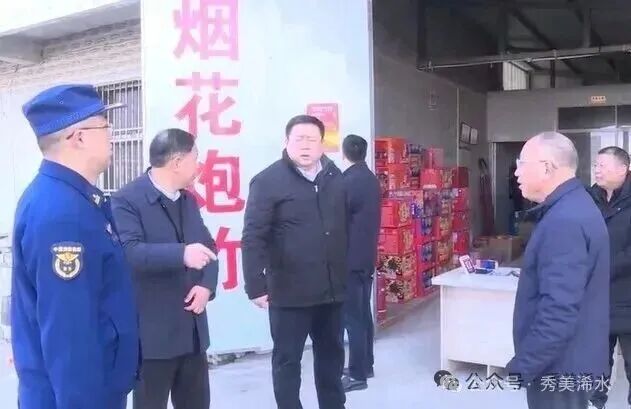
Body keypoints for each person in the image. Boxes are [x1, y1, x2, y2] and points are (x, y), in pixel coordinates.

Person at [11, 84, 140, 409]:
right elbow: (69, 336)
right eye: (105, 127)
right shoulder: (61, 214)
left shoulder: (72, 199)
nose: (112, 136)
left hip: (95, 389)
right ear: (78, 137)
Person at [242, 115, 348, 409]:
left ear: (322, 144)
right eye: (299, 139)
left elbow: (345, 227)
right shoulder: (267, 181)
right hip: (289, 293)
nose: (305, 145)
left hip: (331, 291)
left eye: (312, 139)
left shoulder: (335, 178)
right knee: (287, 362)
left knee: (332, 358)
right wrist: (255, 285)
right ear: (286, 142)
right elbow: (253, 236)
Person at [110, 128, 218, 409]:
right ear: (177, 162)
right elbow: (129, 252)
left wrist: (206, 286)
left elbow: (209, 248)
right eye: (195, 158)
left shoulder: (187, 200)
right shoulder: (126, 201)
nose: (199, 165)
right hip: (153, 338)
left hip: (192, 334)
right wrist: (181, 254)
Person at [506, 131, 610, 409]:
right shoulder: (575, 206)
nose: (516, 173)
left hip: (560, 367)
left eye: (521, 163)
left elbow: (558, 310)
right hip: (573, 359)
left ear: (546, 167)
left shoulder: (564, 221)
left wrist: (523, 366)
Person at [588, 146, 631, 409]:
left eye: (603, 165)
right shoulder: (589, 198)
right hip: (596, 298)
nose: (597, 170)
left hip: (627, 297)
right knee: (596, 360)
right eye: (596, 165)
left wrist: (603, 267)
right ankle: (595, 403)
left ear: (623, 169)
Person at [340, 134, 380, 392]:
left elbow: (337, 219)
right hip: (366, 257)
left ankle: (356, 375)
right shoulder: (371, 179)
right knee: (363, 314)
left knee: (353, 317)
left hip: (350, 259)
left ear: (344, 154)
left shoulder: (347, 182)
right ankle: (366, 365)